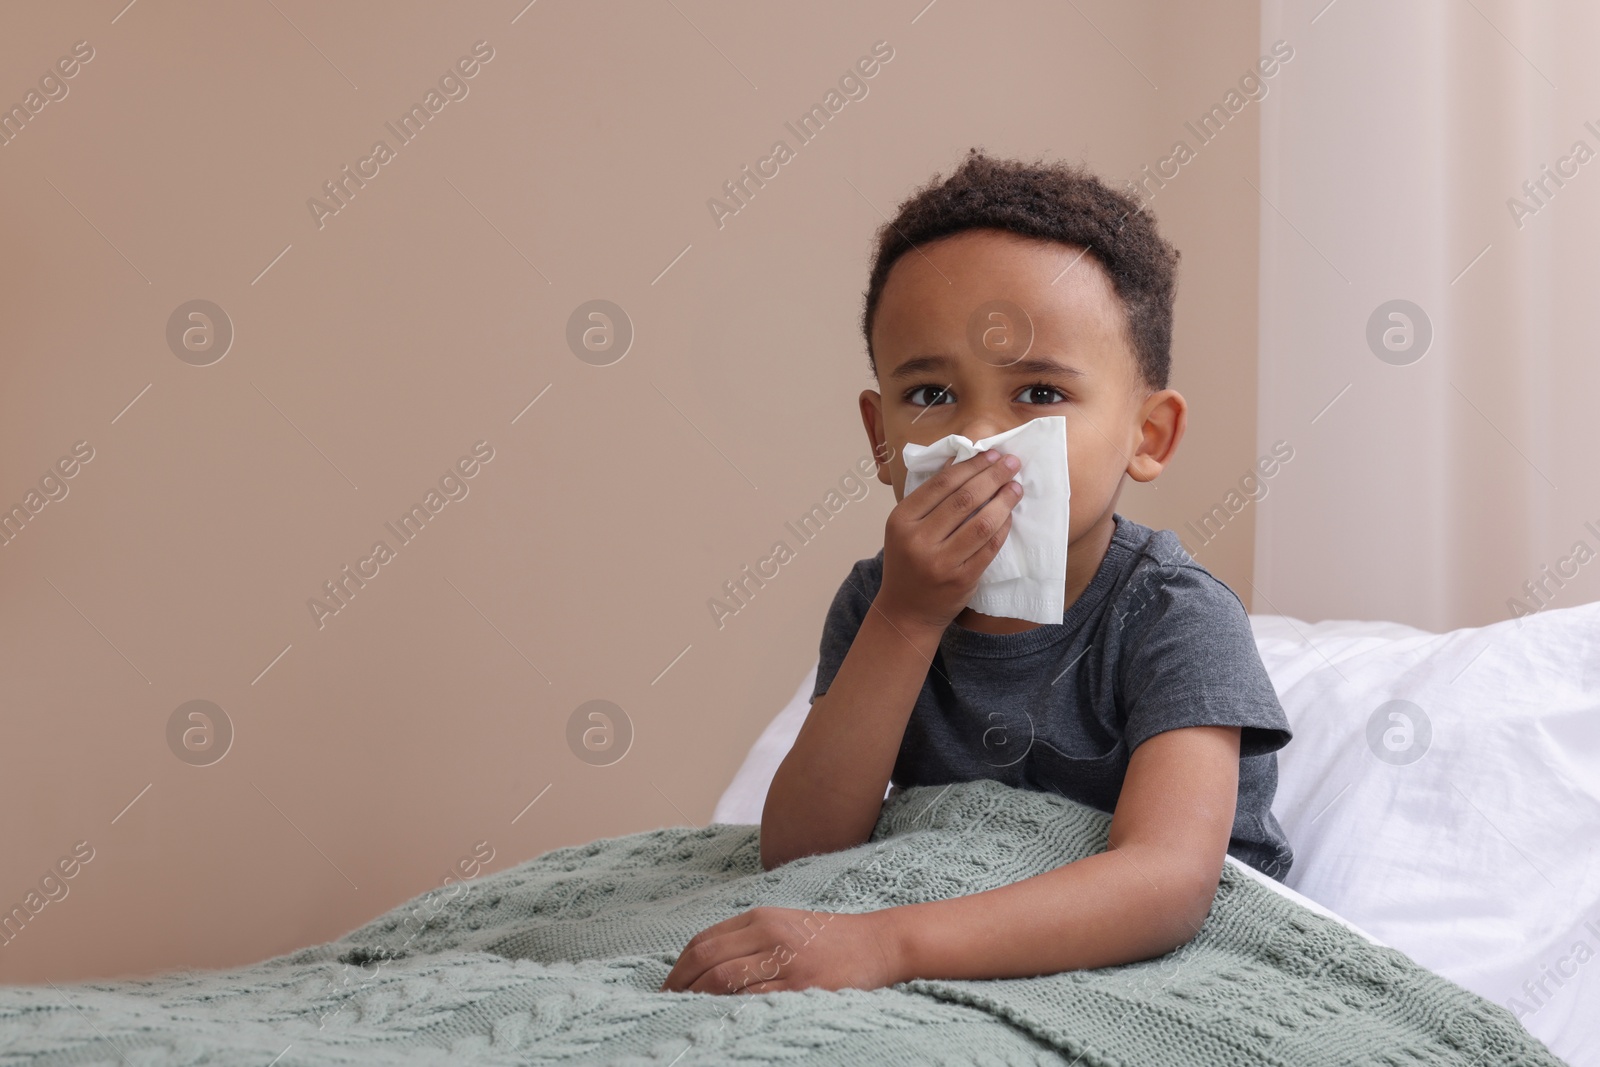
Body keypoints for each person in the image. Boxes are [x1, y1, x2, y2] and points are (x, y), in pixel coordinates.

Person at [661, 149, 1293, 996]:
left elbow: (1168, 884)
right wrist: (906, 620)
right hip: (948, 944)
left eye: (1038, 395)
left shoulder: (1173, 615)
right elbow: (802, 852)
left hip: (1167, 962)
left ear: (1150, 436)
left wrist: (887, 946)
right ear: (882, 436)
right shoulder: (879, 599)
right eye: (929, 394)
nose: (981, 437)